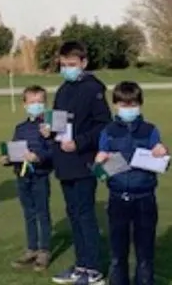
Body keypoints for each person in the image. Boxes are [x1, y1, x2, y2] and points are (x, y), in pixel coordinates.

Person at [94, 81, 169, 285]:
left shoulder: (150, 130)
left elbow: (163, 162)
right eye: (124, 105)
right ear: (115, 105)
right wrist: (99, 162)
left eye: (133, 104)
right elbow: (100, 172)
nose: (129, 109)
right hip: (118, 198)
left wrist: (163, 152)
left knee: (145, 253)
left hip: (145, 197)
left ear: (140, 105)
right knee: (118, 253)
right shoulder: (108, 132)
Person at [51, 41, 112, 285]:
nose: (67, 69)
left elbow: (103, 125)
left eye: (72, 64)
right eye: (63, 65)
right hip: (64, 161)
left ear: (83, 63)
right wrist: (49, 130)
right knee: (73, 213)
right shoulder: (63, 90)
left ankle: (93, 269)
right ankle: (80, 265)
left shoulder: (93, 90)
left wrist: (80, 142)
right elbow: (58, 121)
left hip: (83, 160)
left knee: (85, 214)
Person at [0, 85, 54, 272]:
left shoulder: (48, 128)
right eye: (32, 102)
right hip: (22, 176)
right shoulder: (20, 128)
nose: (36, 105)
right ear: (24, 105)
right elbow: (15, 150)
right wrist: (7, 159)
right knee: (28, 213)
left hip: (40, 176)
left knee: (42, 213)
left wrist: (39, 157)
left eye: (40, 102)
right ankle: (31, 248)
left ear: (45, 104)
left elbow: (52, 151)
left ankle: (44, 250)